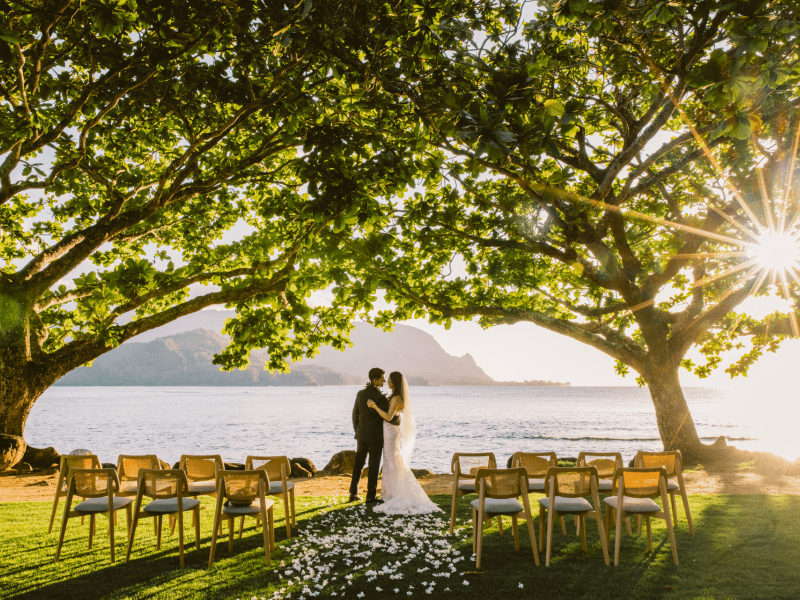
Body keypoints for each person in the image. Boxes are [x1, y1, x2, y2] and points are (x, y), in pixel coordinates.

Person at [367, 371, 441, 515]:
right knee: (391, 461)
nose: (387, 382)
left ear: (395, 382)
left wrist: (375, 407)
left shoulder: (396, 399)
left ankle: (395, 494)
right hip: (392, 431)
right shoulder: (397, 397)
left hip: (390, 432)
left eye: (389, 380)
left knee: (391, 461)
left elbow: (388, 417)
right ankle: (391, 493)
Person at [349, 367, 398, 503]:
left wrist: (358, 431)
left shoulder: (360, 394)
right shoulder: (380, 398)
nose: (384, 380)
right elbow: (387, 417)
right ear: (375, 380)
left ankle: (353, 493)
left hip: (361, 435)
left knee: (358, 464)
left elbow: (355, 415)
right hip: (376, 437)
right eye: (382, 378)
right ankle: (370, 496)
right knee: (374, 465)